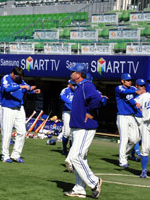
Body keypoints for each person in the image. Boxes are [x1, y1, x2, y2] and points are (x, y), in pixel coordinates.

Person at [64, 63, 102, 199]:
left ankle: (94, 182)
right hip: (77, 126)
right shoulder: (80, 86)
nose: (70, 73)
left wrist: (90, 112)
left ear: (79, 74)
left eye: (73, 72)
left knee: (76, 157)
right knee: (81, 159)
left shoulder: (87, 85)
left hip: (85, 127)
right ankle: (79, 188)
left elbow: (97, 99)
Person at [0, 66, 40, 163]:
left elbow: (27, 89)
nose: (19, 79)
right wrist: (21, 86)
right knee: (7, 132)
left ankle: (16, 155)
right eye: (17, 76)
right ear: (13, 74)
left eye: (20, 77)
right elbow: (6, 90)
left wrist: (33, 91)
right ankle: (5, 156)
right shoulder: (6, 78)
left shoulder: (20, 80)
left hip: (19, 107)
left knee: (22, 131)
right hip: (8, 107)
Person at [115, 73, 145, 168]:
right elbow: (124, 93)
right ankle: (122, 161)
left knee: (135, 139)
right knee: (124, 138)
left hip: (131, 116)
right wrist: (136, 92)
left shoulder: (132, 89)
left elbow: (133, 99)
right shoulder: (119, 88)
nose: (129, 82)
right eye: (127, 80)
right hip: (122, 116)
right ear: (122, 81)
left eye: (130, 80)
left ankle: (125, 155)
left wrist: (137, 104)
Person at [129, 79, 146, 161]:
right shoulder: (133, 90)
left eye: (143, 85)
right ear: (136, 85)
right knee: (136, 137)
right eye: (140, 86)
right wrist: (136, 91)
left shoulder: (146, 93)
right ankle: (137, 153)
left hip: (143, 117)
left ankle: (132, 155)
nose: (142, 87)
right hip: (135, 116)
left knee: (141, 138)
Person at [58, 79, 76, 156]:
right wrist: (70, 102)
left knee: (73, 133)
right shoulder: (65, 90)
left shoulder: (79, 90)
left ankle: (71, 150)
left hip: (76, 113)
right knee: (67, 133)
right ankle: (64, 148)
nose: (74, 87)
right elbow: (62, 97)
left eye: (75, 85)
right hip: (67, 112)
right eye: (73, 85)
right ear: (70, 84)